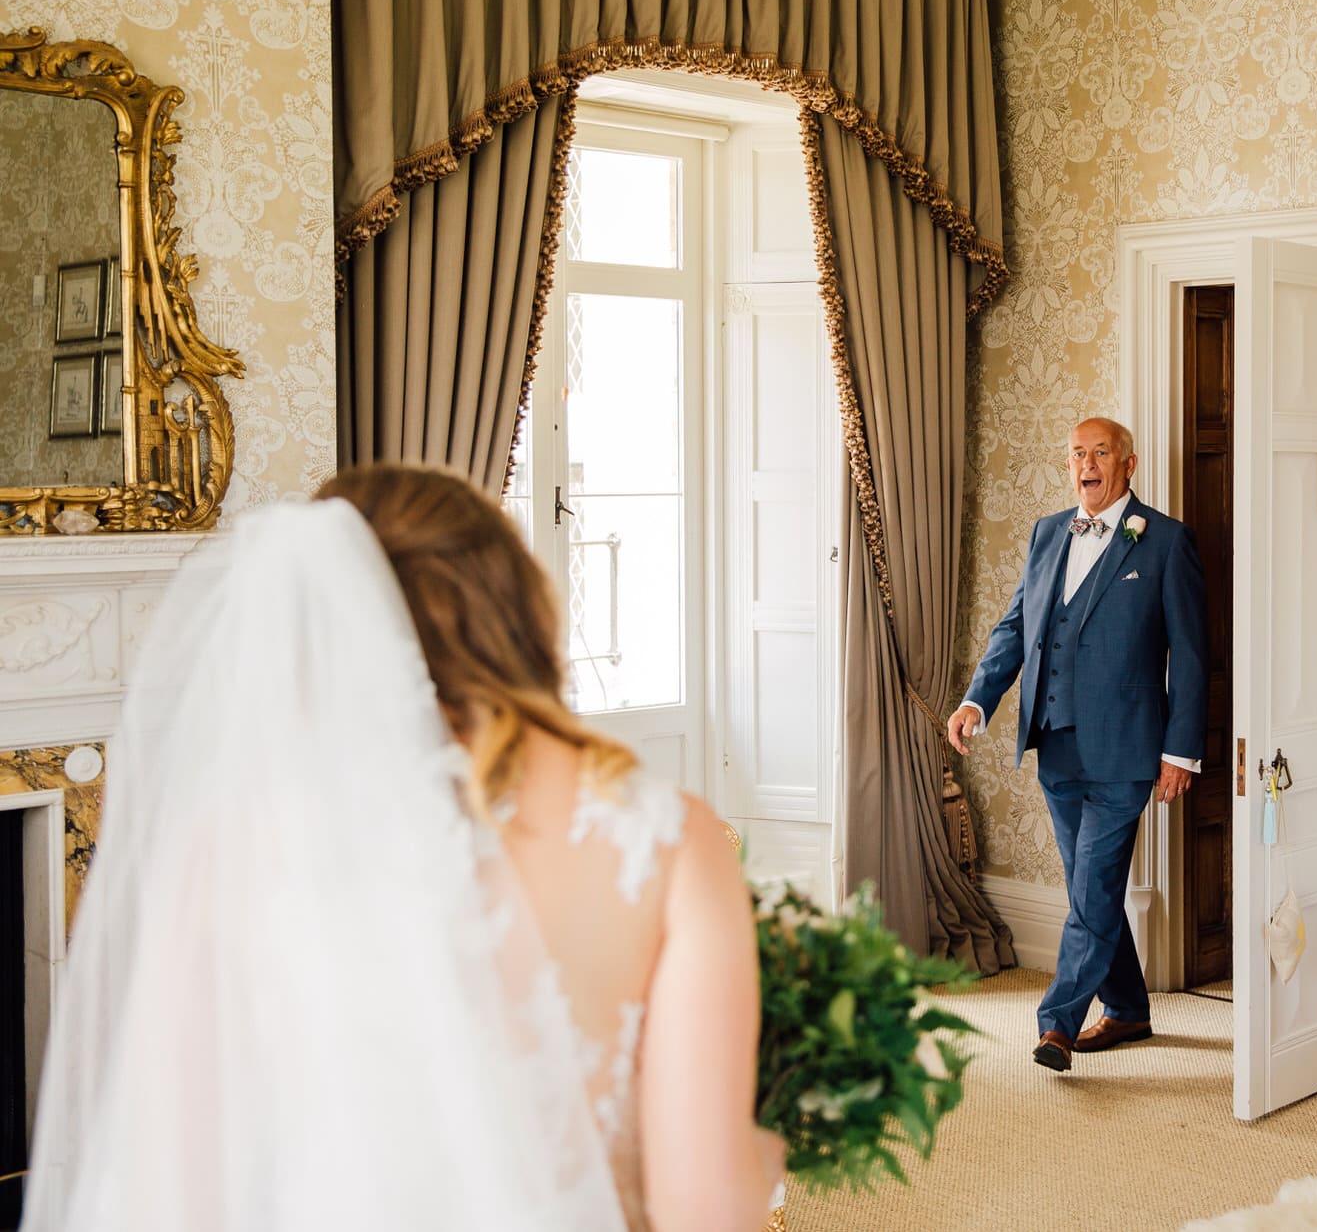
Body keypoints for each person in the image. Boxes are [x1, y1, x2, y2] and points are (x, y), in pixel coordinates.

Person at [25, 465, 779, 1232]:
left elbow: (171, 1189)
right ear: (515, 605)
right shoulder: (664, 836)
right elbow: (705, 1213)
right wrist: (762, 1156)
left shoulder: (224, 847)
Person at [947, 417, 1206, 1072]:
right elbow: (1016, 626)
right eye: (1075, 454)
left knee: (1090, 889)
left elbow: (1194, 655)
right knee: (1092, 888)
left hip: (1126, 749)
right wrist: (980, 696)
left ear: (1128, 464)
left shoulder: (1166, 541)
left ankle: (1056, 1024)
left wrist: (1181, 749)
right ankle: (1128, 1009)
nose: (1085, 463)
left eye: (1099, 453)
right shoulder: (1048, 531)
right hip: (1056, 745)